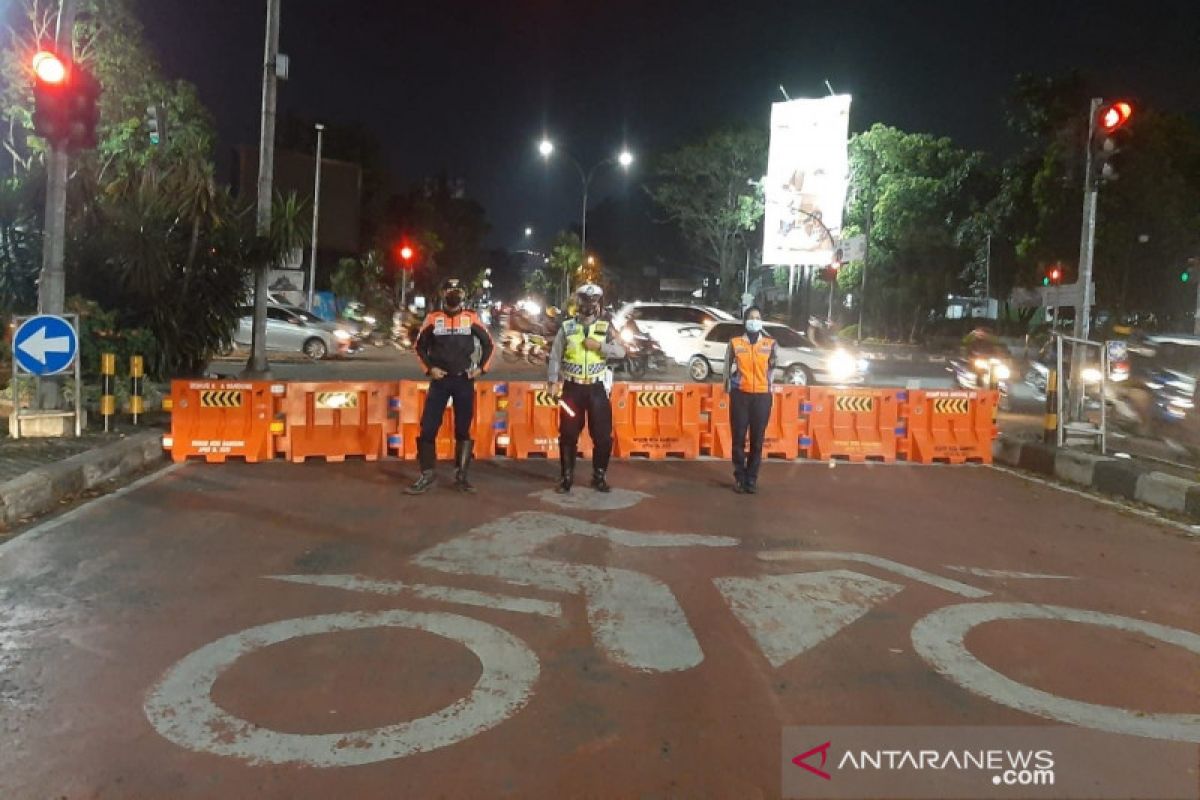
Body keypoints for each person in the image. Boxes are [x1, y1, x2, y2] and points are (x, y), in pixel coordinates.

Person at [408, 278, 495, 495]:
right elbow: (419, 347)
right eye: (449, 290)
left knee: (463, 429)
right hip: (440, 381)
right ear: (442, 293)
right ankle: (427, 474)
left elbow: (489, 344)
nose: (453, 294)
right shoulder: (432, 319)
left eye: (457, 290)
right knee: (428, 427)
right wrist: (429, 369)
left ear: (463, 295)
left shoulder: (472, 318)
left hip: (464, 380)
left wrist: (481, 369)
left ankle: (461, 476)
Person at [547, 283, 625, 493]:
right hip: (572, 389)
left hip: (597, 389)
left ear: (598, 304)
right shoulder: (567, 328)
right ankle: (566, 478)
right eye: (584, 301)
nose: (588, 305)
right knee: (568, 434)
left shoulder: (606, 328)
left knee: (602, 436)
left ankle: (599, 476)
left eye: (592, 301)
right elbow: (555, 356)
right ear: (577, 303)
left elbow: (621, 352)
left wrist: (600, 346)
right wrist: (553, 382)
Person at [724, 306, 777, 494]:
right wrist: (728, 388)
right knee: (738, 438)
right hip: (740, 396)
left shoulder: (770, 344)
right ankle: (739, 476)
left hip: (762, 397)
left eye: (758, 317)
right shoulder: (735, 343)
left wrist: (770, 389)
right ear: (745, 321)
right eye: (751, 317)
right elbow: (726, 368)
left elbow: (773, 368)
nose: (755, 320)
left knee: (757, 441)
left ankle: (752, 478)